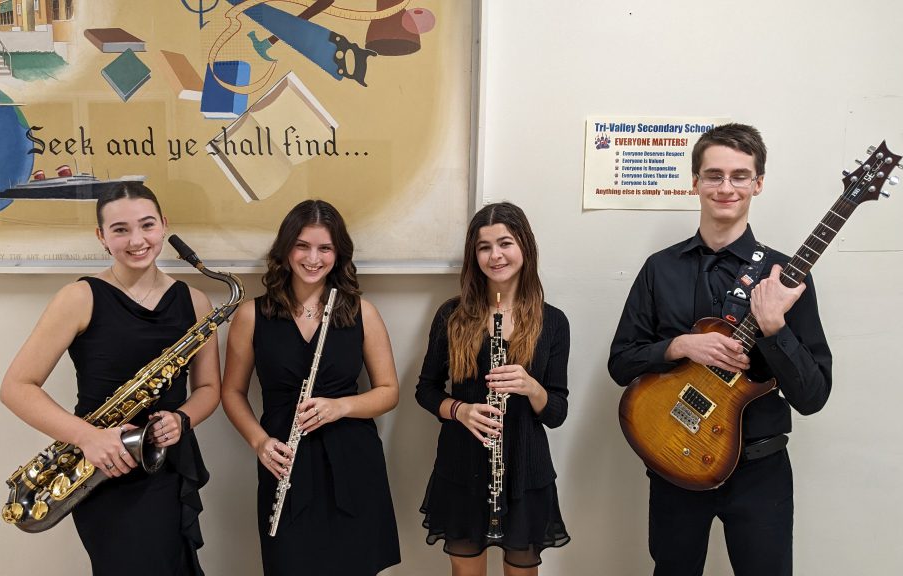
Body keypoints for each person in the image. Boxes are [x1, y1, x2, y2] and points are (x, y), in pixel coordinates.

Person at [608, 123, 833, 576]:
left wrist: (774, 327)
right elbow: (620, 361)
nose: (725, 187)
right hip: (675, 459)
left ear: (758, 183)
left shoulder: (785, 276)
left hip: (760, 470)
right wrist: (680, 345)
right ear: (695, 182)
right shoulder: (660, 269)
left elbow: (813, 396)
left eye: (739, 175)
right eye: (713, 175)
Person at [0, 182, 221, 575]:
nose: (137, 240)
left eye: (147, 225)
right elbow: (16, 387)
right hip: (103, 467)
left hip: (169, 466)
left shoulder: (196, 301)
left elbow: (208, 389)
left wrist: (182, 419)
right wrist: (89, 438)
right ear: (101, 237)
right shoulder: (79, 297)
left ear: (164, 226)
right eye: (120, 229)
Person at [221, 199, 401, 576]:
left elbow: (388, 391)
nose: (313, 258)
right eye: (302, 245)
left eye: (325, 248)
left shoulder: (360, 312)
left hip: (353, 463)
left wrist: (341, 407)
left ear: (339, 253)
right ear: (286, 249)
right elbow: (232, 393)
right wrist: (259, 442)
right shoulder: (252, 315)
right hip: (284, 459)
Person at [416, 201, 571, 576]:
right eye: (484, 247)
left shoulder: (553, 321)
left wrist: (531, 387)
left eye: (505, 243)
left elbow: (557, 412)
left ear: (525, 248)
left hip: (524, 470)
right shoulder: (451, 315)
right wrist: (461, 411)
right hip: (462, 466)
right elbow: (426, 390)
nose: (495, 255)